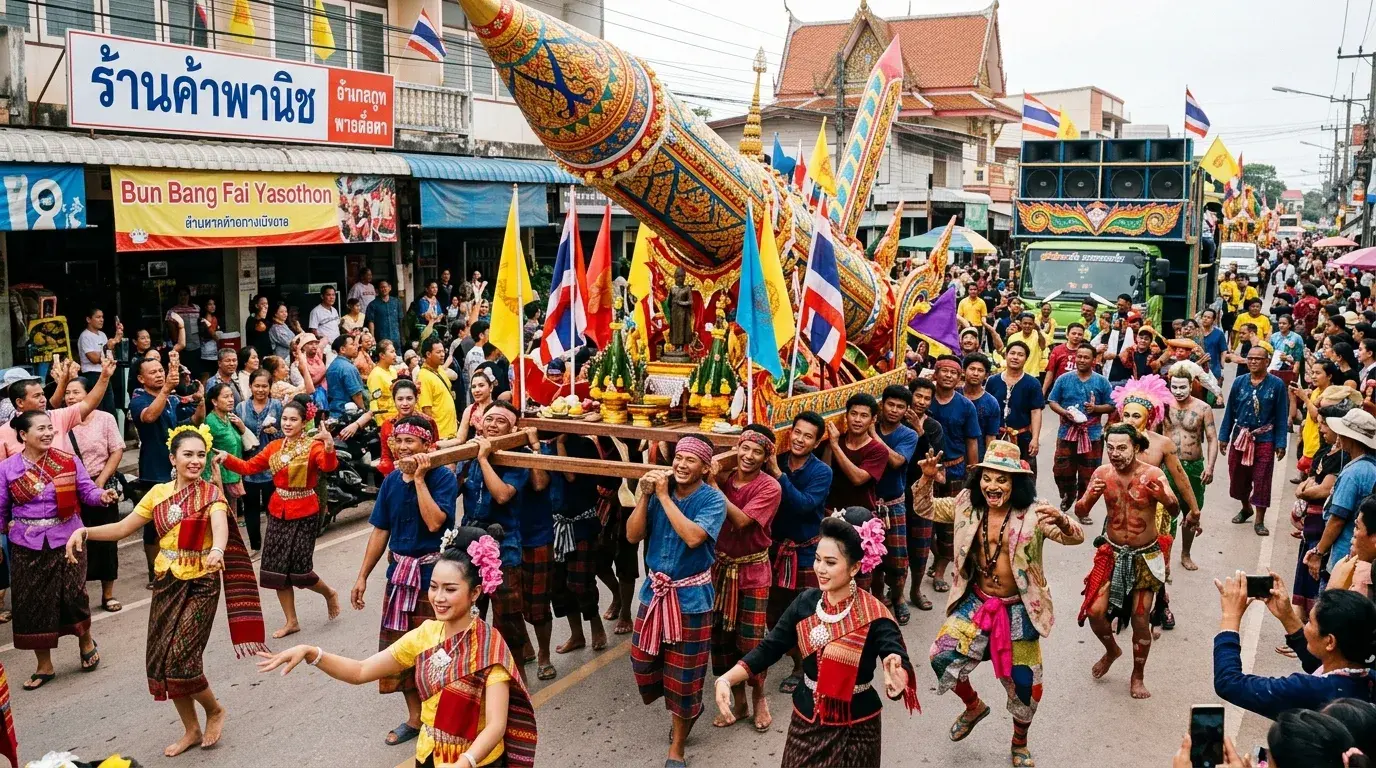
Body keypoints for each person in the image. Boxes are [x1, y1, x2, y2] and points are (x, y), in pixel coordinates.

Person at [259, 526, 539, 767]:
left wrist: (465, 762)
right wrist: (312, 653)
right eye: (433, 587)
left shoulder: (490, 646)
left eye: (450, 589)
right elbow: (360, 671)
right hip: (429, 755)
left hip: (477, 761)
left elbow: (495, 726)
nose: (438, 597)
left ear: (475, 592)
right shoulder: (425, 634)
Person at [67, 424, 265, 756]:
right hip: (167, 582)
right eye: (188, 454)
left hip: (201, 582)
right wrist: (84, 532)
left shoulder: (211, 494)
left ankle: (214, 709)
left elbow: (218, 525)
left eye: (201, 455)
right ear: (172, 458)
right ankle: (190, 729)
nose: (195, 461)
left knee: (181, 661)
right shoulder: (158, 493)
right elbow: (121, 528)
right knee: (162, 662)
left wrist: (217, 550)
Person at [914, 440, 1083, 767]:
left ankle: (1019, 743)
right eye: (987, 478)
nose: (993, 485)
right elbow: (925, 508)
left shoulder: (1035, 511)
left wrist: (1063, 521)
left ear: (1016, 483)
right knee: (940, 655)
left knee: (1026, 687)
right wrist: (925, 480)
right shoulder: (966, 504)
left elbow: (1075, 537)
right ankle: (974, 706)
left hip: (1021, 610)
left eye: (1001, 479)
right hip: (976, 602)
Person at [712, 514, 917, 767]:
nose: (820, 568)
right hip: (807, 718)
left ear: (854, 568)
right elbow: (771, 646)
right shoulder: (806, 602)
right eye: (818, 559)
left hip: (858, 726)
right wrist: (726, 678)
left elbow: (895, 655)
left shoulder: (875, 614)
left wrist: (897, 672)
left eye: (830, 563)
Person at [351, 415, 458, 748]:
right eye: (398, 440)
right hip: (399, 577)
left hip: (433, 578)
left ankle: (444, 715)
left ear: (428, 445)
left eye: (410, 441)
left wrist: (421, 479)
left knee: (437, 653)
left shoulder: (443, 478)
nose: (402, 447)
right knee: (402, 651)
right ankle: (416, 718)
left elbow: (434, 522)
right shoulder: (390, 482)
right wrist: (362, 576)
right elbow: (381, 530)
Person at [627, 435, 727, 768]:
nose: (682, 465)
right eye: (679, 458)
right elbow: (632, 535)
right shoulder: (657, 495)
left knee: (684, 680)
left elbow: (694, 537)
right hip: (654, 593)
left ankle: (678, 748)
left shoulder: (712, 499)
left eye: (691, 460)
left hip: (691, 599)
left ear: (705, 467)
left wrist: (662, 497)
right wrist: (645, 496)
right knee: (642, 661)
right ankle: (686, 708)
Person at [0, 410, 118, 689]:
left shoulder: (67, 461)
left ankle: (86, 642)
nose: (47, 433)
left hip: (68, 539)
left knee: (74, 595)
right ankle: (44, 665)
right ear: (23, 435)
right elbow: (2, 509)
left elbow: (87, 491)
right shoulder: (7, 469)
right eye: (40, 429)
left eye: (49, 428)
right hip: (26, 544)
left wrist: (103, 496)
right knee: (32, 604)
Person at [217, 396, 341, 638]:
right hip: (277, 511)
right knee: (275, 569)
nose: (287, 423)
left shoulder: (313, 446)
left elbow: (327, 466)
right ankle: (291, 620)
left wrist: (328, 445)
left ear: (304, 423)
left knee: (300, 571)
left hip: (305, 512)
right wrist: (227, 458)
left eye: (293, 419)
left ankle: (329, 593)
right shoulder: (274, 447)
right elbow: (249, 467)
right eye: (284, 418)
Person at [1074, 424, 1179, 699]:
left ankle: (1137, 675)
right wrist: (1089, 497)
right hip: (1112, 553)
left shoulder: (1152, 474)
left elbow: (1174, 508)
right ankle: (1112, 651)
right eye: (1110, 448)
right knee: (1095, 612)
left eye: (1122, 448)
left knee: (1140, 617)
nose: (1115, 453)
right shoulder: (1102, 474)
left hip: (1146, 555)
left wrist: (1163, 497)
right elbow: (1081, 510)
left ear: (1136, 447)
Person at [1214, 572, 1376, 719]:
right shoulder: (1365, 679)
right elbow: (1320, 664)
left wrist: (1230, 617)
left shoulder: (1308, 690)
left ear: (1330, 642)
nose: (1305, 627)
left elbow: (1229, 683)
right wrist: (1287, 616)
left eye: (1310, 622)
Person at [705, 424, 781, 733]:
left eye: (757, 452)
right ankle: (738, 701)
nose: (748, 456)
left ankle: (759, 695)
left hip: (752, 571)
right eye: (744, 449)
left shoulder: (770, 487)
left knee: (750, 642)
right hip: (721, 569)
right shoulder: (724, 480)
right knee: (721, 639)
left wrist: (711, 483)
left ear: (766, 457)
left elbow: (740, 521)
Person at [763, 412, 832, 694]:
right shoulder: (776, 461)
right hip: (775, 550)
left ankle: (802, 666)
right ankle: (794, 654)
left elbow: (803, 505)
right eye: (797, 432)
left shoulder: (821, 472)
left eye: (807, 436)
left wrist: (779, 476)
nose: (800, 439)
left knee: (806, 613)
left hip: (805, 552)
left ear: (816, 442)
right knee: (774, 613)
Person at [460, 404, 535, 660]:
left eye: (500, 421)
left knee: (508, 616)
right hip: (469, 540)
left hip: (505, 545)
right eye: (489, 419)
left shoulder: (519, 456)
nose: (492, 425)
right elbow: (454, 488)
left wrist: (483, 458)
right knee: (470, 612)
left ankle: (517, 675)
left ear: (513, 429)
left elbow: (502, 495)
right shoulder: (470, 451)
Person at [131, 352, 205, 587]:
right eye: (152, 372)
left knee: (181, 518)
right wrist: (165, 391)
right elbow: (149, 417)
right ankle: (155, 573)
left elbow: (195, 420)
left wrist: (201, 400)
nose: (159, 374)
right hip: (153, 469)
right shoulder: (138, 399)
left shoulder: (173, 399)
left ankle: (181, 564)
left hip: (179, 467)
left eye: (160, 371)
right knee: (153, 524)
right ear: (141, 379)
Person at [64, 377, 124, 612]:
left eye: (76, 392)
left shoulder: (105, 419)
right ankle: (80, 595)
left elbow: (117, 450)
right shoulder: (62, 422)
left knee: (106, 541)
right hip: (71, 489)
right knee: (76, 543)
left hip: (102, 485)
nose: (70, 397)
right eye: (68, 393)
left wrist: (98, 482)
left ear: (91, 394)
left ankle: (108, 594)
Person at [546, 434, 608, 655]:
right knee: (559, 585)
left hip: (582, 523)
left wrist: (561, 443)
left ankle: (596, 625)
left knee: (581, 582)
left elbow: (570, 475)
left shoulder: (584, 444)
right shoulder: (546, 444)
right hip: (555, 525)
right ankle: (577, 635)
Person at [924, 358, 982, 594]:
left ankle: (939, 572)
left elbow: (972, 440)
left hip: (956, 470)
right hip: (927, 471)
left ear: (959, 378)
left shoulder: (966, 406)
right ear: (935, 374)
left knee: (950, 526)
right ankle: (937, 556)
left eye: (953, 373)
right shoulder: (923, 399)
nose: (948, 376)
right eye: (943, 371)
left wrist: (974, 472)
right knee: (923, 524)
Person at [1220, 344, 1289, 537]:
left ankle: (1259, 519)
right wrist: (1223, 437)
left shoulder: (1276, 385)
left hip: (1264, 439)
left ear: (1267, 361)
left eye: (1257, 359)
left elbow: (1281, 416)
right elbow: (1230, 412)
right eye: (1250, 358)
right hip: (1240, 437)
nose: (1253, 362)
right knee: (1237, 476)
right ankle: (1245, 508)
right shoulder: (1239, 382)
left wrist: (1281, 443)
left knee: (1262, 478)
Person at [1304, 410, 1376, 590]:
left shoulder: (1353, 473)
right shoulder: (1371, 467)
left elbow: (1337, 519)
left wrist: (1319, 552)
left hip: (1344, 554)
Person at [868, 386, 919, 625]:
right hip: (868, 504)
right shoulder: (867, 426)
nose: (894, 410)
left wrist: (873, 436)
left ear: (906, 410)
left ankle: (897, 598)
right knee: (872, 561)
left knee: (898, 560)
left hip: (894, 504)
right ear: (882, 405)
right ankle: (878, 601)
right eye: (891, 404)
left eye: (900, 406)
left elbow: (897, 461)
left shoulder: (908, 435)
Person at [1047, 344, 1114, 520]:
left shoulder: (1101, 381)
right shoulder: (1064, 379)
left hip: (1092, 434)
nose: (1081, 360)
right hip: (1067, 432)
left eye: (1086, 357)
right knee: (1061, 470)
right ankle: (1068, 493)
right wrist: (1064, 413)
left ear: (1093, 360)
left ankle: (1083, 509)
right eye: (1079, 357)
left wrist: (1096, 408)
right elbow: (1052, 401)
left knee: (1089, 474)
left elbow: (1112, 405)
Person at [1162, 363, 1219, 572]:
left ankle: (1185, 553)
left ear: (1191, 385)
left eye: (1182, 387)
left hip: (1194, 466)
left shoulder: (1203, 408)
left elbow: (1212, 439)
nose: (1178, 392)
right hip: (1168, 466)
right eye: (1174, 387)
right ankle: (1164, 555)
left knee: (1192, 512)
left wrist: (1210, 467)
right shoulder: (1163, 405)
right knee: (1166, 511)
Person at [234, 368, 281, 553]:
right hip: (249, 467)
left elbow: (286, 432)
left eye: (264, 386)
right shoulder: (241, 408)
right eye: (257, 386)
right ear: (250, 386)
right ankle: (255, 547)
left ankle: (273, 546)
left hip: (273, 466)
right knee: (251, 509)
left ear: (270, 387)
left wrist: (275, 432)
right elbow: (238, 437)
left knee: (273, 508)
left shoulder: (277, 405)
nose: (260, 390)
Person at [76, 307, 122, 414]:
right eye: (98, 317)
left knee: (110, 409)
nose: (101, 320)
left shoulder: (102, 335)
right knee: (98, 409)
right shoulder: (85, 336)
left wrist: (115, 342)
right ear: (88, 319)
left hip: (104, 374)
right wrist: (107, 346)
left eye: (102, 317)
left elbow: (110, 356)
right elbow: (94, 359)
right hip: (92, 375)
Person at [418, 337, 459, 441]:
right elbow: (426, 410)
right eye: (438, 352)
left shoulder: (439, 369)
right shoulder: (424, 377)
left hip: (451, 430)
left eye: (443, 351)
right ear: (428, 354)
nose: (442, 354)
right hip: (440, 435)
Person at [963, 353, 1001, 459]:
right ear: (964, 371)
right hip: (954, 457)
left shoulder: (991, 403)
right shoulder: (953, 395)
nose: (975, 373)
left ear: (986, 375)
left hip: (979, 456)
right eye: (972, 369)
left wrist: (988, 462)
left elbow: (991, 437)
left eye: (980, 370)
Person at [325, 335, 368, 421]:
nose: (356, 347)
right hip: (347, 414)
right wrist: (364, 412)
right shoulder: (348, 368)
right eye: (352, 344)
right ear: (342, 349)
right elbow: (356, 394)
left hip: (334, 412)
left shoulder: (333, 366)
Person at [457, 368, 496, 444]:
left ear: (491, 388)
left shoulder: (499, 409)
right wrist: (438, 444)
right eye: (473, 387)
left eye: (481, 385)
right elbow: (460, 439)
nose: (476, 390)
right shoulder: (469, 410)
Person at [366, 279, 405, 349]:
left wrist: (402, 337)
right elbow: (371, 322)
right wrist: (372, 338)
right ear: (377, 290)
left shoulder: (396, 302)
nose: (384, 289)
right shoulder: (373, 305)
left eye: (385, 287)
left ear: (389, 288)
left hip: (396, 338)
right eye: (381, 287)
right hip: (381, 339)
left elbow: (401, 320)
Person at [197, 300, 220, 381]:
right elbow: (214, 335)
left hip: (214, 351)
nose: (213, 306)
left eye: (214, 304)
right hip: (206, 352)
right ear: (205, 307)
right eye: (210, 304)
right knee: (206, 375)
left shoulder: (214, 318)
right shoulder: (203, 320)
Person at [245, 294, 273, 359]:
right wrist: (261, 317)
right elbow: (261, 328)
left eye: (266, 304)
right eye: (263, 304)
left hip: (267, 353)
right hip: (256, 354)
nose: (265, 306)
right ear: (257, 306)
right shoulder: (251, 319)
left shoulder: (266, 320)